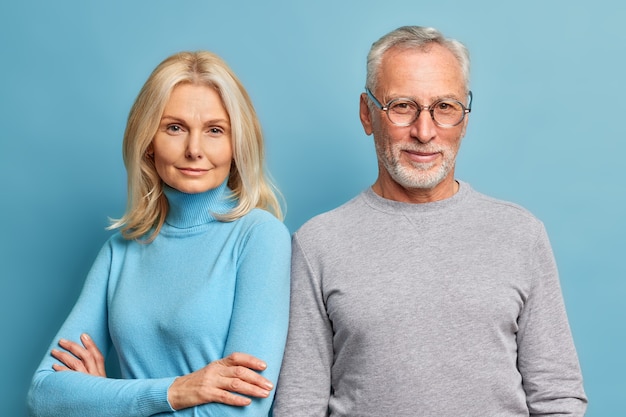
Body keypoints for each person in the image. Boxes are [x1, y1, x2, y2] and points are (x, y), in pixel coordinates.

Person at [272, 26, 587, 417]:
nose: (424, 131)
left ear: (465, 119)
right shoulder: (317, 243)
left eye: (445, 107)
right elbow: (299, 405)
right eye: (402, 106)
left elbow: (557, 397)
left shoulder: (520, 235)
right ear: (367, 114)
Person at [27, 50, 291, 416]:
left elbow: (238, 413)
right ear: (148, 140)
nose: (194, 150)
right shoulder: (120, 249)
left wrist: (104, 400)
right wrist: (176, 391)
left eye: (215, 130)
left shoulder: (260, 238)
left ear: (237, 144)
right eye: (175, 128)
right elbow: (45, 395)